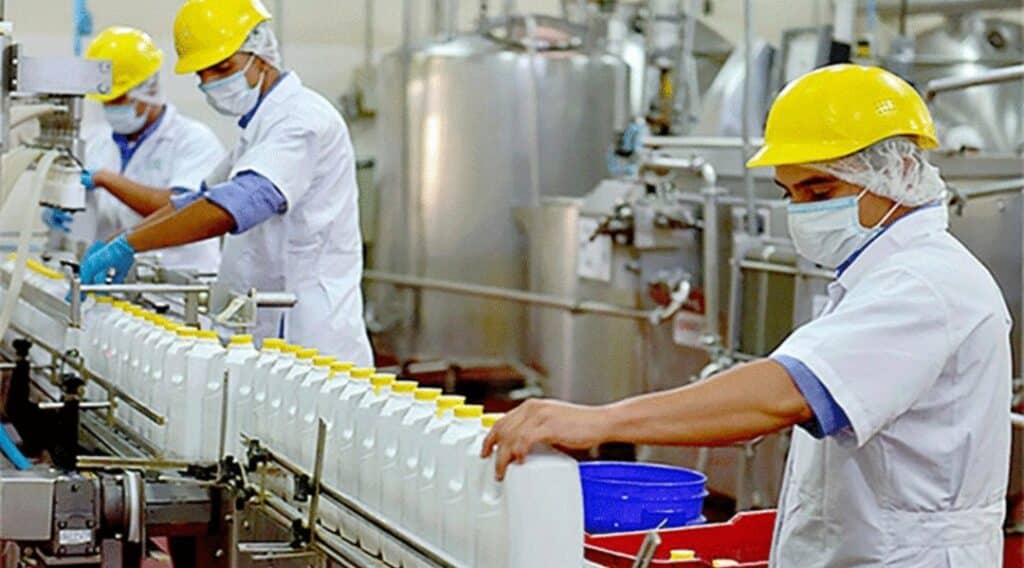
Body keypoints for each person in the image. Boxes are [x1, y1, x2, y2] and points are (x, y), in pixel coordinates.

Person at [482, 64, 1012, 566]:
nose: (802, 212)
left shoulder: (924, 285)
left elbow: (785, 393)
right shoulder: (877, 276)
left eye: (819, 190)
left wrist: (599, 420)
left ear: (896, 173)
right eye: (791, 193)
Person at [76, 0, 373, 366]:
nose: (212, 83)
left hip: (309, 338)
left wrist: (129, 244)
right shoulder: (257, 131)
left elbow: (235, 206)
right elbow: (192, 201)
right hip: (263, 331)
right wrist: (118, 244)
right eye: (203, 74)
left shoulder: (302, 120)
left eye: (223, 68)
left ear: (261, 51)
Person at [46, 26, 223, 274]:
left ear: (149, 88)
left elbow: (183, 209)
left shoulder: (194, 141)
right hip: (116, 281)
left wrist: (107, 180)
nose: (111, 109)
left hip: (179, 282)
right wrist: (60, 209)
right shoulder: (96, 142)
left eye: (118, 100)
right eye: (106, 101)